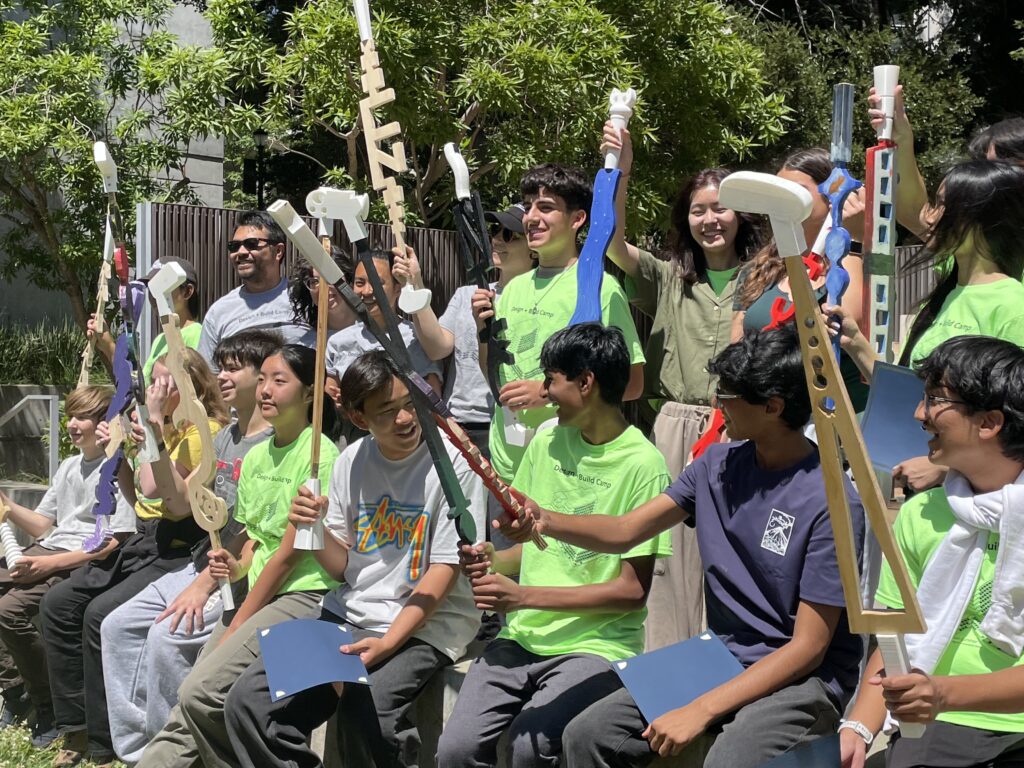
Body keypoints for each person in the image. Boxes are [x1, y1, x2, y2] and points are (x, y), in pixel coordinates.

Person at [505, 326, 865, 768]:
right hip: (720, 654)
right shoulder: (716, 464)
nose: (717, 405)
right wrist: (545, 519)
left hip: (803, 678)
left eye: (728, 396)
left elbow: (808, 647)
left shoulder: (831, 500)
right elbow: (625, 531)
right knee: (588, 734)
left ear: (772, 407)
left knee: (725, 762)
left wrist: (701, 708)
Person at [222, 350, 488, 768]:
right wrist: (314, 528)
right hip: (350, 614)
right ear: (359, 418)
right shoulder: (352, 460)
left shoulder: (455, 467)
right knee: (249, 703)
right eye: (387, 411)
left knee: (369, 711)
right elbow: (343, 566)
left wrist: (387, 642)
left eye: (408, 405)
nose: (405, 419)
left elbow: (443, 572)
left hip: (426, 625)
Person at [436, 324, 671, 768]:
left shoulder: (646, 465)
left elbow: (630, 593)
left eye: (551, 379)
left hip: (596, 648)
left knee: (531, 746)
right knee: (456, 751)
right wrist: (495, 560)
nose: (544, 390)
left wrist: (523, 596)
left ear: (585, 383)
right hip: (521, 638)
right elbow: (533, 548)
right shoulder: (545, 439)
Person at [135, 344, 341, 768]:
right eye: (262, 379)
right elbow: (252, 540)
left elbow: (287, 557)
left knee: (201, 695)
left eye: (279, 381)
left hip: (300, 595)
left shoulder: (320, 456)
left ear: (309, 394)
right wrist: (237, 566)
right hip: (255, 590)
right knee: (189, 698)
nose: (265, 390)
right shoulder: (259, 454)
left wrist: (241, 618)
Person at [600, 121, 764, 650]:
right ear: (685, 218)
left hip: (745, 427)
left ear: (741, 214)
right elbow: (612, 239)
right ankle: (666, 664)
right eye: (698, 210)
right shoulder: (668, 276)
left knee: (734, 546)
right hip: (677, 425)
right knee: (670, 555)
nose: (710, 219)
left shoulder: (766, 275)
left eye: (720, 207)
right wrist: (620, 171)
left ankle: (729, 659)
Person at [839, 336, 1024, 768]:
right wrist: (859, 727)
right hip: (931, 725)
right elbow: (893, 637)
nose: (919, 414)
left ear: (989, 422)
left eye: (936, 400)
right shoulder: (922, 513)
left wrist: (941, 694)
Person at [41, 350, 229, 767]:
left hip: (179, 543)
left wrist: (152, 429)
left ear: (190, 386)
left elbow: (171, 502)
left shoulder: (202, 430)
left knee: (98, 615)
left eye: (164, 383)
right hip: (147, 538)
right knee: (59, 604)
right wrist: (120, 452)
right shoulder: (167, 427)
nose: (154, 391)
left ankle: (105, 741)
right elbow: (139, 492)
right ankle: (75, 727)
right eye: (153, 382)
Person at [99, 330, 280, 764]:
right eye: (222, 366)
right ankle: (140, 752)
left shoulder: (270, 442)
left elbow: (255, 535)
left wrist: (202, 584)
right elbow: (176, 499)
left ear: (266, 379)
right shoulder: (222, 437)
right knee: (116, 627)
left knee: (166, 635)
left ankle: (176, 754)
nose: (224, 375)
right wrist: (154, 437)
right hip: (204, 560)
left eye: (235, 367)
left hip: (230, 570)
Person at [831, 160, 1024, 494]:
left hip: (980, 505)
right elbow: (910, 394)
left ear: (980, 217)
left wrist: (945, 468)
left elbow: (1016, 420)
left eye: (942, 205)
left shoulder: (1012, 304)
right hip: (925, 496)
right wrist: (855, 343)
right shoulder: (942, 295)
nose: (929, 215)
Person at [472, 164, 646, 484]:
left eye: (547, 207)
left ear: (577, 219)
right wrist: (484, 333)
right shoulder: (512, 290)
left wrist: (547, 392)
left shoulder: (600, 290)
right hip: (505, 469)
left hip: (567, 468)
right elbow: (495, 377)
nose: (531, 217)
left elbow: (632, 384)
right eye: (528, 207)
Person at [0, 386, 136, 747]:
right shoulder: (68, 466)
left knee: (7, 611)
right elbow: (44, 525)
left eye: (83, 417)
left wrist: (48, 565)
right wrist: (8, 507)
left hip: (75, 561)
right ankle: (18, 694)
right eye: (71, 416)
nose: (73, 424)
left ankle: (48, 705)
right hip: (48, 549)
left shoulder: (118, 469)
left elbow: (111, 543)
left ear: (106, 423)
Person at [732, 147, 869, 412]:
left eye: (796, 190)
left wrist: (851, 241)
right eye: (777, 190)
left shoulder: (859, 261)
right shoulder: (758, 270)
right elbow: (735, 349)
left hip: (837, 423)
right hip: (769, 422)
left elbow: (845, 324)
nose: (781, 200)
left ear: (833, 195)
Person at [393, 203, 536, 450]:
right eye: (495, 230)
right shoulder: (468, 293)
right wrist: (415, 282)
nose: (497, 240)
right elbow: (438, 348)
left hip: (508, 424)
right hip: (456, 420)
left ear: (534, 249)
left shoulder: (539, 303)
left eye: (510, 234)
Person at [197, 211, 315, 365]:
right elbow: (208, 378)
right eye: (234, 246)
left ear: (278, 251)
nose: (241, 252)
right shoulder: (219, 313)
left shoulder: (307, 298)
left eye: (251, 244)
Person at [324, 249, 441, 401]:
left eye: (377, 283)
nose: (366, 291)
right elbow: (330, 396)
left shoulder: (417, 339)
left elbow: (434, 398)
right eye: (360, 283)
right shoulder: (338, 342)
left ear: (397, 289)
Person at [85, 256, 203, 384]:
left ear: (187, 292)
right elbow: (139, 388)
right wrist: (107, 344)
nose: (154, 296)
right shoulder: (160, 340)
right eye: (151, 288)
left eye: (163, 286)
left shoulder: (198, 334)